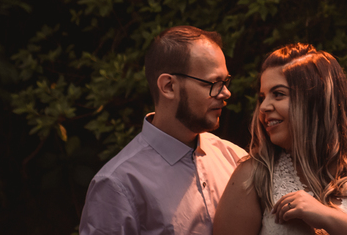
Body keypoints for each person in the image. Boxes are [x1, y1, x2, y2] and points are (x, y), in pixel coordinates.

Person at [213, 44, 347, 235]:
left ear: (315, 100)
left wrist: (327, 217)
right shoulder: (254, 176)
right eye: (262, 97)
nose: (264, 107)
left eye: (278, 94)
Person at [80, 26, 247, 235]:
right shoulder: (118, 185)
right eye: (213, 83)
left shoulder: (235, 159)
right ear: (168, 86)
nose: (226, 93)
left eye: (225, 81)